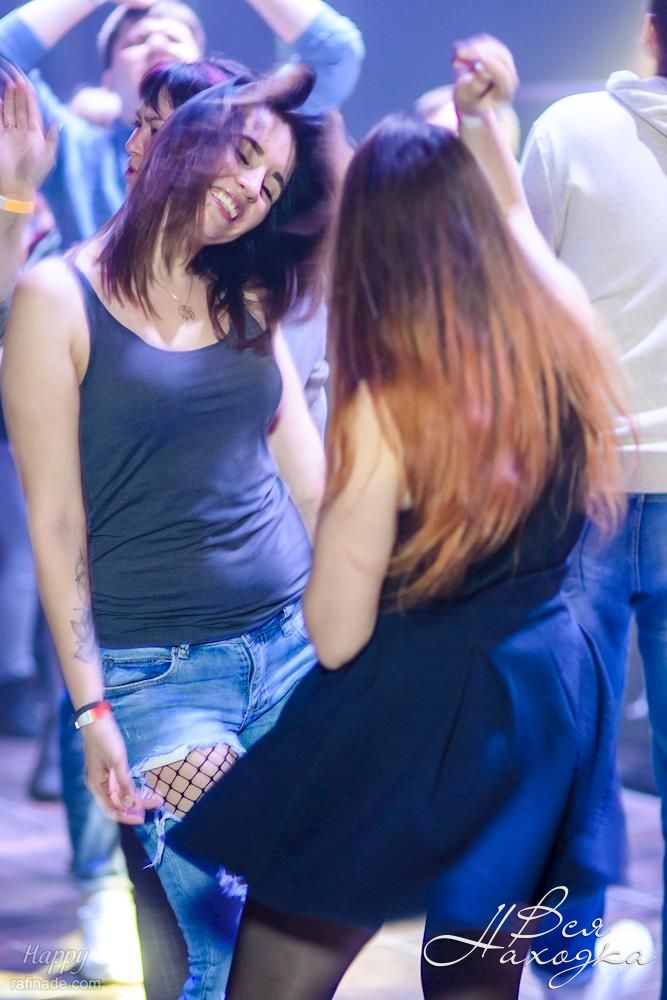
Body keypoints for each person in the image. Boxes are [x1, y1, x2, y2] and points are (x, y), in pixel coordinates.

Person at [168, 37, 629, 1000]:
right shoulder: (566, 334)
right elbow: (517, 223)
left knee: (278, 970)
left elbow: (337, 634)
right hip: (542, 699)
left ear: (368, 242)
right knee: (474, 981)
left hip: (415, 707)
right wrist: (486, 126)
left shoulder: (389, 404)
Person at [0, 0, 362, 983]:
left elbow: (310, 484)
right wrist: (91, 713)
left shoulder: (246, 294)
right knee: (217, 951)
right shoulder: (56, 298)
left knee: (301, 941)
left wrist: (369, 627)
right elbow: (56, 522)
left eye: (270, 179)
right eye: (241, 154)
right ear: (173, 138)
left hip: (292, 648)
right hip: (159, 677)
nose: (250, 186)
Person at [520, 1, 667, 995]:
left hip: (584, 488)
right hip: (592, 489)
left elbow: (517, 308)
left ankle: (566, 975)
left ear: (646, 29)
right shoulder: (569, 128)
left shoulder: (567, 129)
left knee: (574, 755)